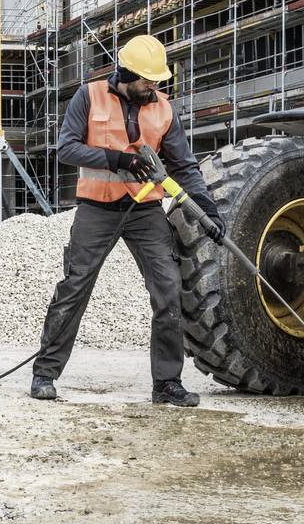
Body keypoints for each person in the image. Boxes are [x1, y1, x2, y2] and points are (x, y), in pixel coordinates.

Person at [29, 33, 224, 407]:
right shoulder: (89, 96)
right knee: (74, 287)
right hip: (96, 209)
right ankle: (45, 373)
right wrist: (120, 160)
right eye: (148, 80)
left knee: (168, 291)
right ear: (126, 72)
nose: (153, 87)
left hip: (146, 211)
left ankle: (167, 383)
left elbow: (183, 164)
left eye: (157, 81)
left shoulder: (164, 108)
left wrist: (207, 207)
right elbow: (67, 148)